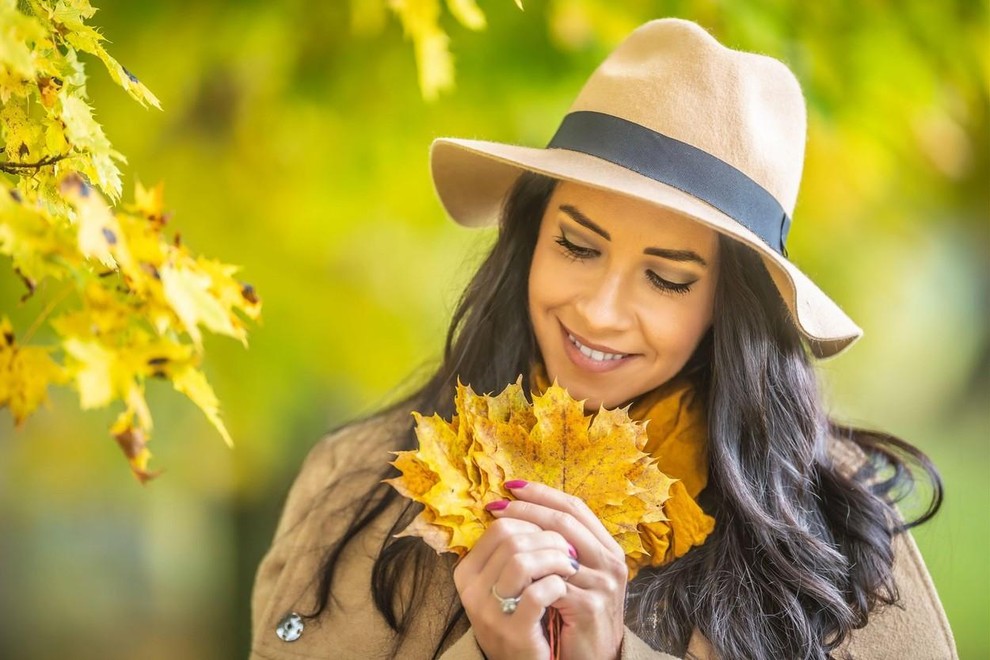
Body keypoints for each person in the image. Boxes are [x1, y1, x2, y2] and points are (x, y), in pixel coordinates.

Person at [251, 18, 956, 660]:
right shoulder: (357, 486)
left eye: (667, 279)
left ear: (727, 308)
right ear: (530, 237)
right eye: (578, 247)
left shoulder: (831, 533)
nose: (601, 310)